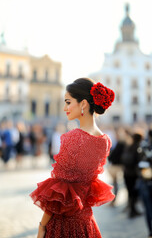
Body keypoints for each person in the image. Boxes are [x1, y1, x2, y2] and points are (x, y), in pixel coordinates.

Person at [30, 78, 115, 238]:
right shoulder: (105, 141)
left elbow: (59, 192)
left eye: (68, 102)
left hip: (63, 223)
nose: (64, 108)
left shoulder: (73, 138)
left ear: (83, 104)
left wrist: (42, 225)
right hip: (86, 222)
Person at [138, 127, 152, 238]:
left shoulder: (144, 147)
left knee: (149, 207)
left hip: (145, 181)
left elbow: (138, 163)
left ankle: (151, 232)